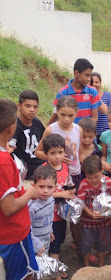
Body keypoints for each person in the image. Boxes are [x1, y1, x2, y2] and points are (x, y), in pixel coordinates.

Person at [0, 99, 38, 280]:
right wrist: (30, 192)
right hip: (12, 234)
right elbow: (8, 208)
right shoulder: (4, 162)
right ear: (11, 128)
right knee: (24, 275)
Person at [41, 133, 75, 280]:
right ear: (45, 154)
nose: (57, 156)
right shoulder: (43, 170)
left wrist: (70, 189)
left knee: (59, 241)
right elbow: (42, 193)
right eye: (52, 153)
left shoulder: (65, 167)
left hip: (60, 214)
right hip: (48, 216)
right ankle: (55, 273)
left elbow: (66, 184)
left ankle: (53, 266)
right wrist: (63, 194)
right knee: (53, 246)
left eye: (60, 152)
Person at [36, 96, 84, 189]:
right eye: (62, 115)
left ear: (76, 113)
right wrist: (56, 158)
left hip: (75, 173)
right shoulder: (51, 130)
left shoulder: (78, 130)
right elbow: (38, 152)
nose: (66, 119)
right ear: (56, 112)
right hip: (56, 174)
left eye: (71, 115)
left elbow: (80, 153)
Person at [77, 155, 111, 267]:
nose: (93, 180)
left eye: (96, 176)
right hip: (88, 222)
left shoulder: (109, 182)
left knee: (102, 246)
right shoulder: (84, 184)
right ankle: (86, 267)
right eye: (90, 177)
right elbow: (81, 202)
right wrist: (90, 214)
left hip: (104, 222)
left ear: (102, 170)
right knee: (86, 245)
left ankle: (101, 266)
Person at [48, 58, 107, 125]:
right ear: (76, 73)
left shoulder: (92, 92)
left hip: (86, 133)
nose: (89, 79)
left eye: (90, 76)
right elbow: (55, 115)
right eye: (86, 75)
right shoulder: (63, 93)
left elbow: (94, 118)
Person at [9, 90, 45, 179]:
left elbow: (46, 140)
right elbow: (9, 149)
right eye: (28, 106)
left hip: (42, 163)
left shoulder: (37, 122)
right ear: (19, 106)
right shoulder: (15, 126)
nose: (32, 110)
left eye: (35, 107)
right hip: (26, 168)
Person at [28, 165, 56, 255]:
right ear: (34, 185)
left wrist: (50, 231)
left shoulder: (51, 200)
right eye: (41, 186)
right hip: (33, 246)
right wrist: (36, 245)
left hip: (45, 242)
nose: (45, 191)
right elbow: (26, 229)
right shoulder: (32, 206)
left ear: (56, 187)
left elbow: (49, 217)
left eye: (50, 187)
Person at [90, 72, 111, 143]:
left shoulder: (107, 95)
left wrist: (96, 96)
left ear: (100, 83)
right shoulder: (87, 96)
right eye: (92, 82)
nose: (94, 84)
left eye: (97, 82)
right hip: (91, 132)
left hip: (106, 130)